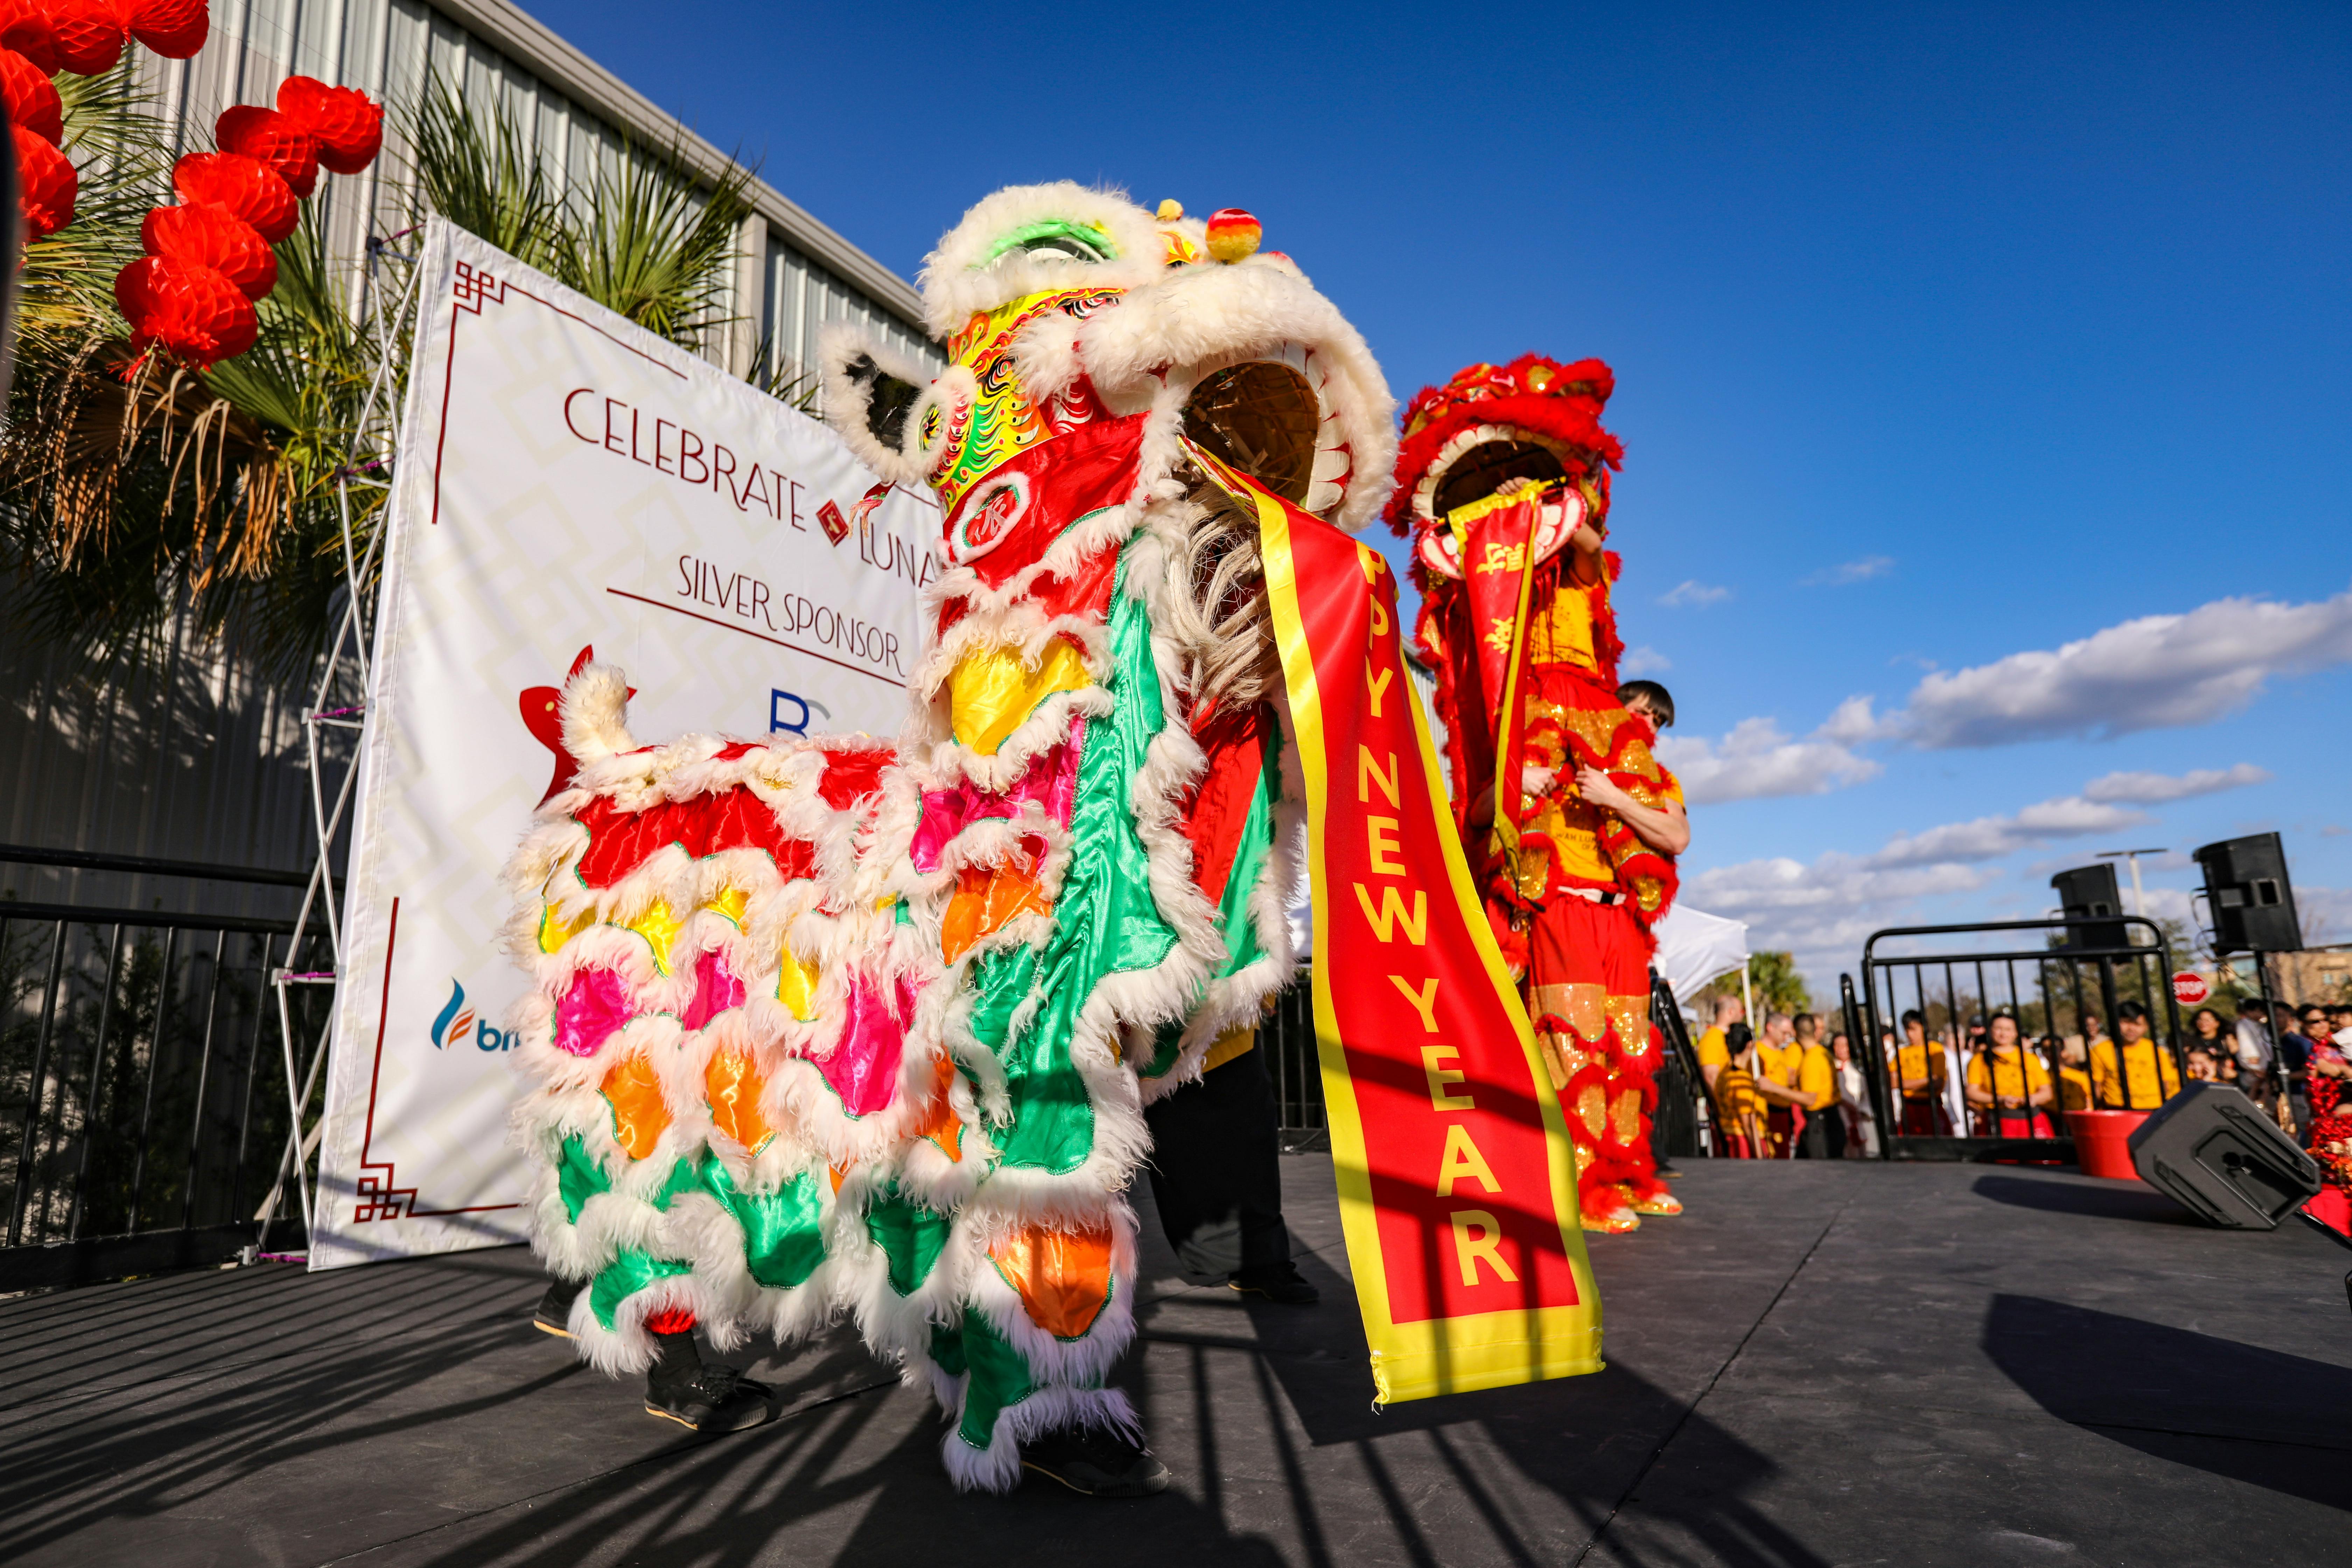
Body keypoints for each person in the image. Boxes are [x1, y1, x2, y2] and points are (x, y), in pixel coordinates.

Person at [1966, 1012, 2055, 1137]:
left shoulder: (2030, 1059)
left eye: (2008, 1029)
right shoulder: (1978, 1060)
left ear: (2016, 1033)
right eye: (1998, 1029)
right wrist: (2000, 1099)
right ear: (1990, 1030)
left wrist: (2033, 1099)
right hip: (1997, 1120)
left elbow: (2047, 1092)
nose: (2003, 1034)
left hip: (2032, 1120)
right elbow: (1971, 1092)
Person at [2090, 999, 2180, 1110]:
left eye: (2137, 1024)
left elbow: (2167, 1084)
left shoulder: (2157, 1051)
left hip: (2153, 1110)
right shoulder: (2101, 1050)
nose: (2131, 1028)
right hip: (2117, 1110)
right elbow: (2097, 1086)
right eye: (2126, 1022)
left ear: (2146, 1027)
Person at [1748, 1012, 1807, 1157]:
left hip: (1784, 1112)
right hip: (1769, 1112)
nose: (1787, 1037)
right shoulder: (1757, 1052)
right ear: (1770, 1028)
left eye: (1789, 1034)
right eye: (1784, 1033)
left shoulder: (1781, 1053)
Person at [1713, 1023, 1769, 1157]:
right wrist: (1759, 1155)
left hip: (1729, 1135)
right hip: (1744, 1141)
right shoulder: (1742, 1079)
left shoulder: (1724, 1073)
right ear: (1750, 1045)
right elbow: (1748, 1123)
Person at [1792, 1013, 1841, 1158]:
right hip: (1830, 1120)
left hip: (1820, 1126)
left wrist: (1773, 1087)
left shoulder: (1811, 1059)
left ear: (1795, 1032)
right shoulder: (1823, 1053)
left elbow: (1810, 1099)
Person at [1892, 1009, 1946, 1135]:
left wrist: (1905, 1083)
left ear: (1925, 1027)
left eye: (1913, 1029)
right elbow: (1894, 1083)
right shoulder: (1901, 1052)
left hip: (1932, 1107)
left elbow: (1938, 1082)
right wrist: (1927, 1080)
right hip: (1909, 1108)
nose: (1909, 1034)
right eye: (1906, 1029)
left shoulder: (1935, 1050)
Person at [1833, 1031, 1876, 1156]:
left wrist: (1861, 1112)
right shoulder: (1830, 1067)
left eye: (1844, 1045)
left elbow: (1866, 1097)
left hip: (1856, 1118)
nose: (1840, 1049)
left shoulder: (1859, 1069)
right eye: (1837, 1045)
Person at [1695, 993, 1745, 1098]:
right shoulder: (1712, 1039)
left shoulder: (1728, 1036)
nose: (1743, 1016)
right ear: (1731, 1012)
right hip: (1727, 1107)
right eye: (1742, 1012)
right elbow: (1711, 1077)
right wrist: (1725, 1107)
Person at [2050, 1035, 2092, 1113]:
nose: (2051, 1053)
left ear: (2064, 1052)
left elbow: (2090, 1099)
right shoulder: (2042, 1077)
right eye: (2046, 1050)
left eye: (2055, 1049)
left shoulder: (2079, 1077)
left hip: (2078, 1117)